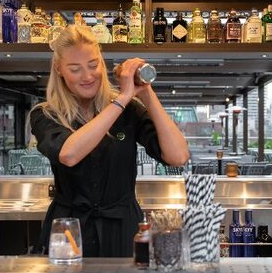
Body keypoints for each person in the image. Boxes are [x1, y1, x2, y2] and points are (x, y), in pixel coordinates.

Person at [29, 24, 190, 257]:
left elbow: (178, 156)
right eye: (75, 69)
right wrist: (123, 98)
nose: (87, 76)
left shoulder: (129, 110)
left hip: (123, 229)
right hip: (70, 231)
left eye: (93, 65)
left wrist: (145, 92)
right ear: (59, 69)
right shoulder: (45, 115)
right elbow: (69, 154)